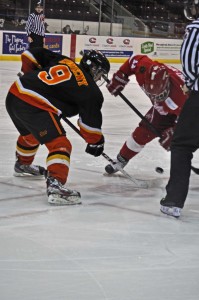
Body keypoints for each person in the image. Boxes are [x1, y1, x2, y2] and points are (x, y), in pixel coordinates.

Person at [5, 48, 110, 206]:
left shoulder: (65, 61)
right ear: (93, 68)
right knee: (60, 145)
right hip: (34, 104)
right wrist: (96, 142)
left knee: (31, 136)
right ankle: (55, 185)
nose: (99, 77)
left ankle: (23, 164)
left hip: (14, 94)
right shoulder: (91, 91)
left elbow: (32, 54)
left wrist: (28, 72)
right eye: (100, 73)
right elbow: (89, 126)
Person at [105, 54, 188, 185]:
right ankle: (121, 159)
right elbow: (133, 60)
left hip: (186, 113)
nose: (157, 97)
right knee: (143, 132)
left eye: (161, 94)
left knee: (181, 144)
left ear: (167, 84)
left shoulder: (182, 94)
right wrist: (121, 76)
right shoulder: (144, 69)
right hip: (162, 110)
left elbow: (193, 120)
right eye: (153, 94)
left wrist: (177, 132)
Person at [160, 0, 199, 217]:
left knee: (182, 145)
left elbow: (190, 60)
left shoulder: (195, 28)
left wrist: (191, 82)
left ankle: (174, 200)